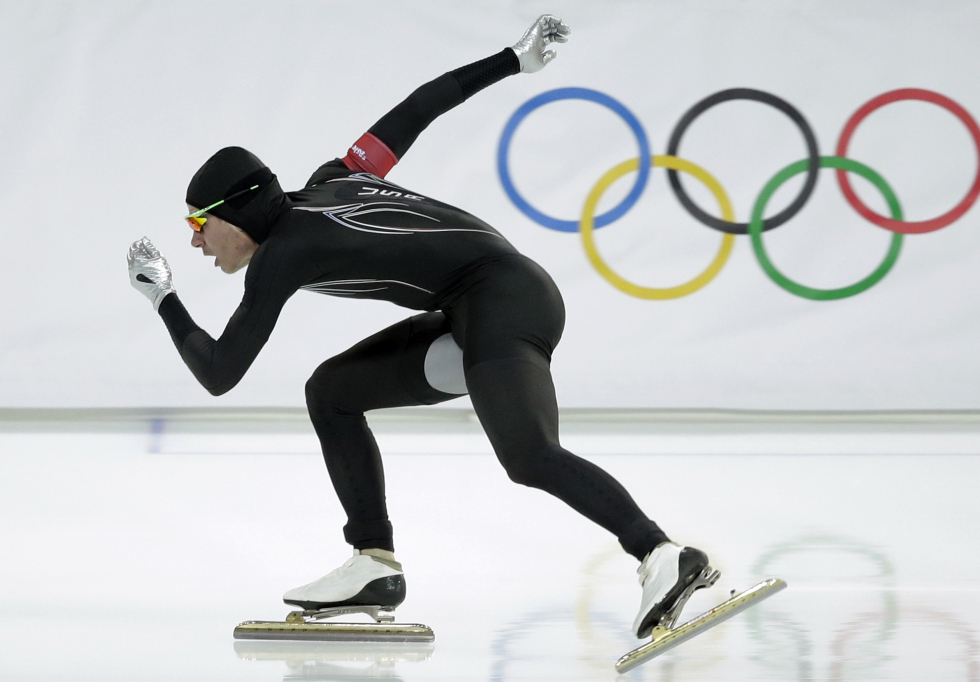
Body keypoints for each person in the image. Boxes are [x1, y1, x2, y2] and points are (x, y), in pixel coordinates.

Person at [126, 15, 714, 640]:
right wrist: (513, 59)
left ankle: (661, 553)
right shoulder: (336, 177)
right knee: (332, 392)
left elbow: (220, 373)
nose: (195, 243)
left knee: (529, 456)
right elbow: (417, 108)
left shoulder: (281, 255)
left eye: (199, 226)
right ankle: (372, 564)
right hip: (478, 305)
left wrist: (162, 295)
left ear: (234, 212)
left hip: (503, 301)